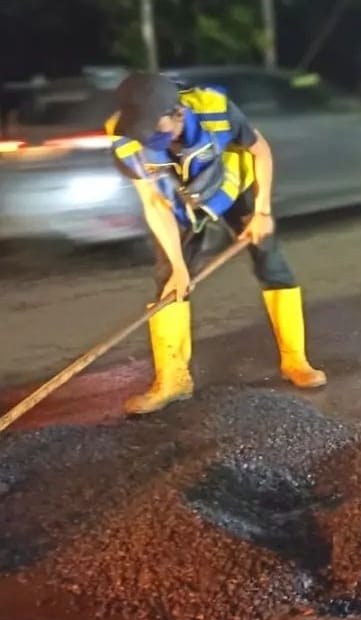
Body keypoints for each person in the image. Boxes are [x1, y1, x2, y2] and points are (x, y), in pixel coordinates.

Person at [106, 71, 326, 415]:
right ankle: (173, 379)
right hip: (177, 203)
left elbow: (260, 150)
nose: (147, 135)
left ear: (178, 113)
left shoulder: (215, 109)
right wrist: (179, 267)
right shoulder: (124, 138)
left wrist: (262, 211)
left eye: (155, 126)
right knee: (169, 280)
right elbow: (153, 203)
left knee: (271, 262)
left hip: (230, 186)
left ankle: (295, 361)